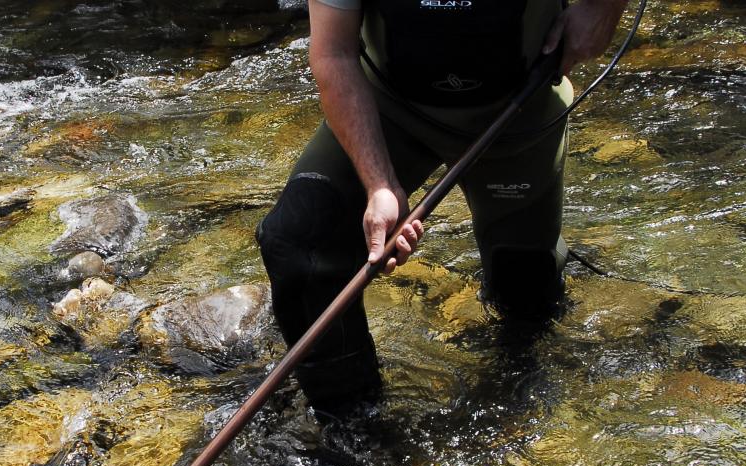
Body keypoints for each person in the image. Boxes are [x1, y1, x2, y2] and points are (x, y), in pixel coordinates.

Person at [256, 0, 628, 413]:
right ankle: (353, 426)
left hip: (520, 113)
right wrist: (380, 184)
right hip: (391, 113)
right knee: (298, 243)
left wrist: (603, 9)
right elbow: (333, 54)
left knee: (524, 291)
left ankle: (518, 416)